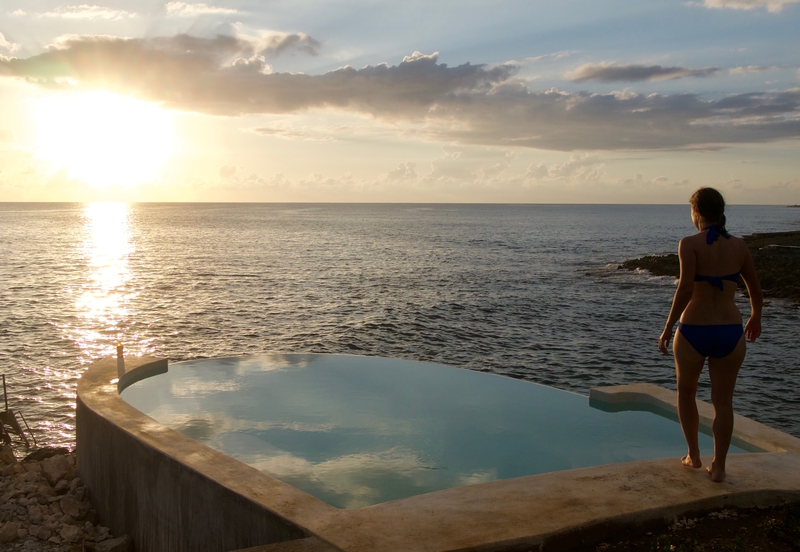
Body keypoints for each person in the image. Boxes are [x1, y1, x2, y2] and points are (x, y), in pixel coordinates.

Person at [658, 187, 762, 483]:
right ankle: (719, 466)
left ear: (697, 213)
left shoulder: (689, 243)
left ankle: (693, 455)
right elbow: (755, 289)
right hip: (730, 331)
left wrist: (667, 328)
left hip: (693, 330)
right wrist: (756, 317)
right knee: (723, 401)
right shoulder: (740, 246)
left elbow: (686, 289)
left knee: (686, 392)